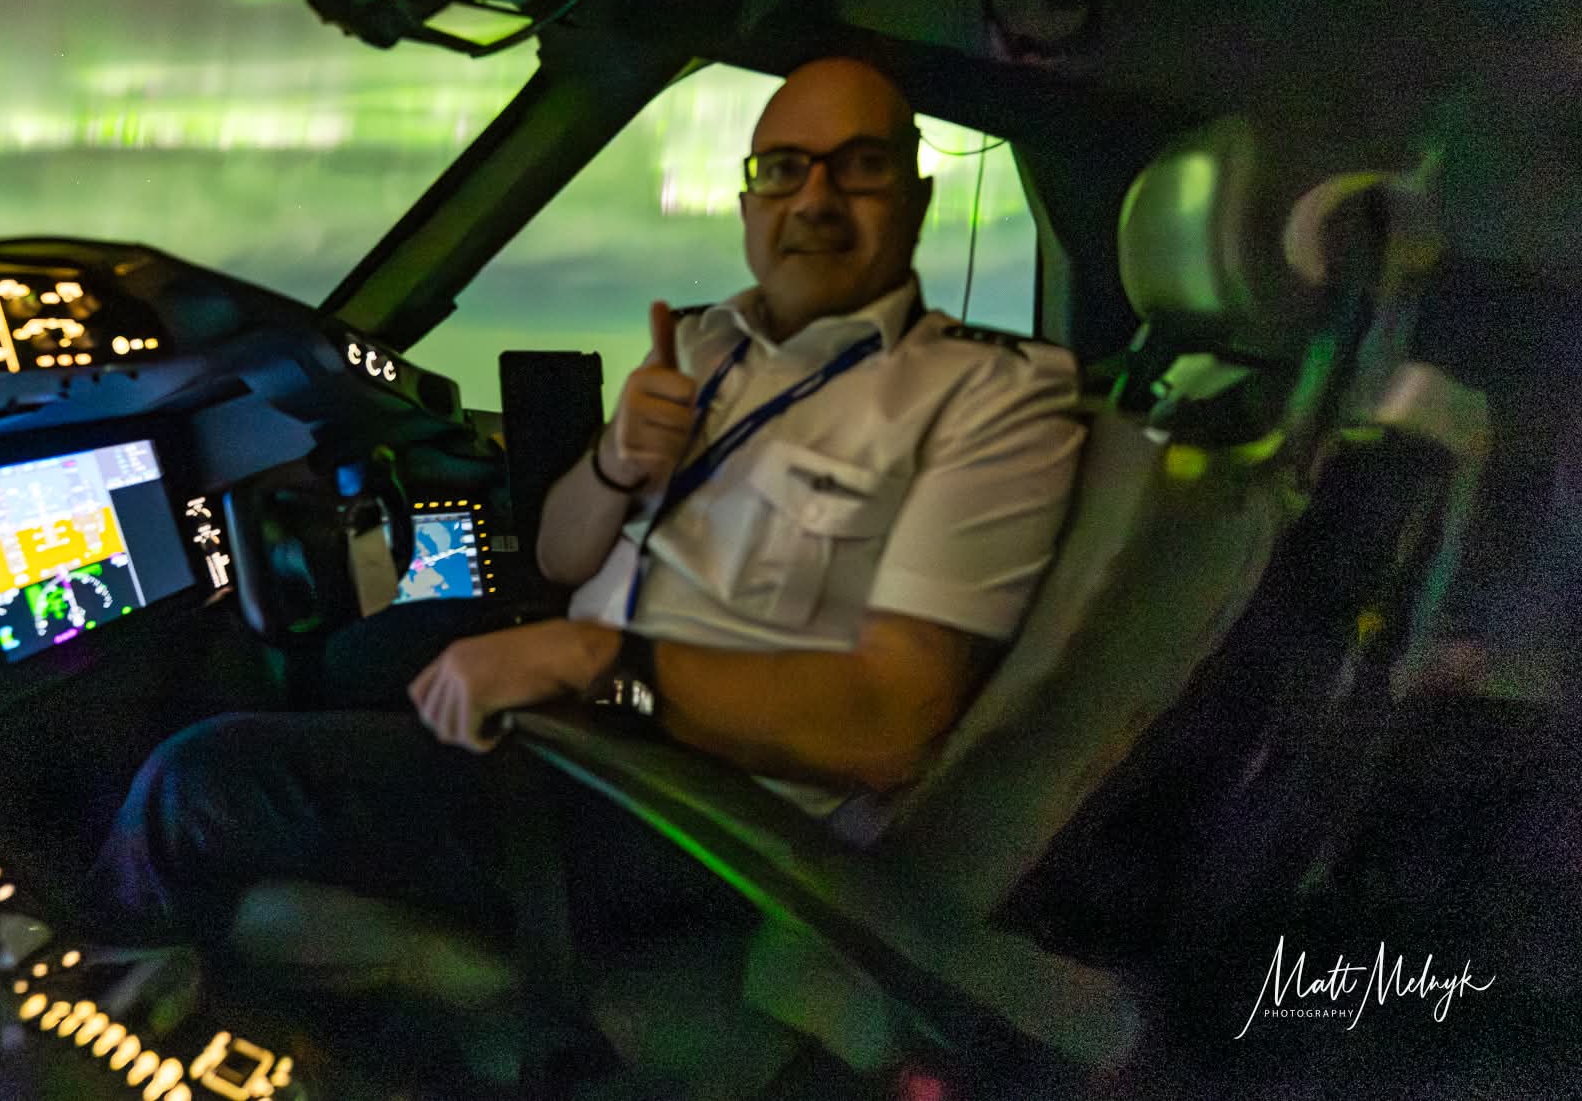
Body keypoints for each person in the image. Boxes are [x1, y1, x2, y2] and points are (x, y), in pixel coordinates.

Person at [87, 57, 1082, 998]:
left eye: (857, 167)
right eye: (783, 169)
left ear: (912, 197)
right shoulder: (705, 344)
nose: (813, 200)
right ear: (748, 203)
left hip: (684, 806)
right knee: (324, 658)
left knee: (198, 789)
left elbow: (885, 723)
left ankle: (84, 1010)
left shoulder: (991, 397)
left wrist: (585, 657)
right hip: (589, 721)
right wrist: (614, 467)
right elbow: (564, 556)